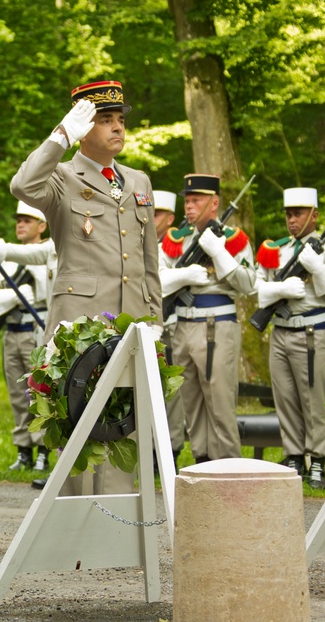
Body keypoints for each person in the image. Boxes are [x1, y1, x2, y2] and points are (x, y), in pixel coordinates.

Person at [7, 80, 162, 494]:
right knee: (77, 421)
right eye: (104, 120)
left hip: (130, 321)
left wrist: (155, 320)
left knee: (124, 420)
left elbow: (149, 261)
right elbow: (22, 186)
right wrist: (60, 137)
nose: (117, 128)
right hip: (81, 324)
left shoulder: (138, 181)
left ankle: (117, 518)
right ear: (83, 128)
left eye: (119, 120)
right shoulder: (61, 177)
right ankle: (75, 524)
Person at [255, 187, 325, 489]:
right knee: (285, 397)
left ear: (315, 215)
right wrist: (279, 290)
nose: (291, 220)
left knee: (315, 399)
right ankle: (294, 456)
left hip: (312, 333)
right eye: (288, 214)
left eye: (297, 213)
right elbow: (257, 287)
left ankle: (319, 461)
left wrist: (317, 267)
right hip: (281, 331)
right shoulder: (277, 248)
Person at [158, 174, 256, 464]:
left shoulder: (233, 239)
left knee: (220, 400)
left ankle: (227, 464)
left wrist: (219, 252)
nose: (189, 206)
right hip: (182, 325)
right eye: (187, 200)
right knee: (191, 399)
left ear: (214, 204)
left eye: (196, 200)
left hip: (216, 326)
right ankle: (202, 460)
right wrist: (183, 276)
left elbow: (248, 283)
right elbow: (157, 279)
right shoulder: (175, 240)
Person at [0, 201, 53, 473]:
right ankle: (23, 449)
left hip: (35, 331)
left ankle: (43, 452)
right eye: (18, 220)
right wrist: (11, 296)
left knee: (40, 393)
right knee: (16, 393)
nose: (20, 225)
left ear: (42, 226)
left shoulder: (46, 254)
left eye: (27, 220)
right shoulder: (9, 259)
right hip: (11, 331)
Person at [152, 190, 186, 468]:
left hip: (171, 326)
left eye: (157, 214)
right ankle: (150, 449)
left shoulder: (178, 244)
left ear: (170, 218)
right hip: (146, 327)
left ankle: (171, 450)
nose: (151, 219)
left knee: (171, 393)